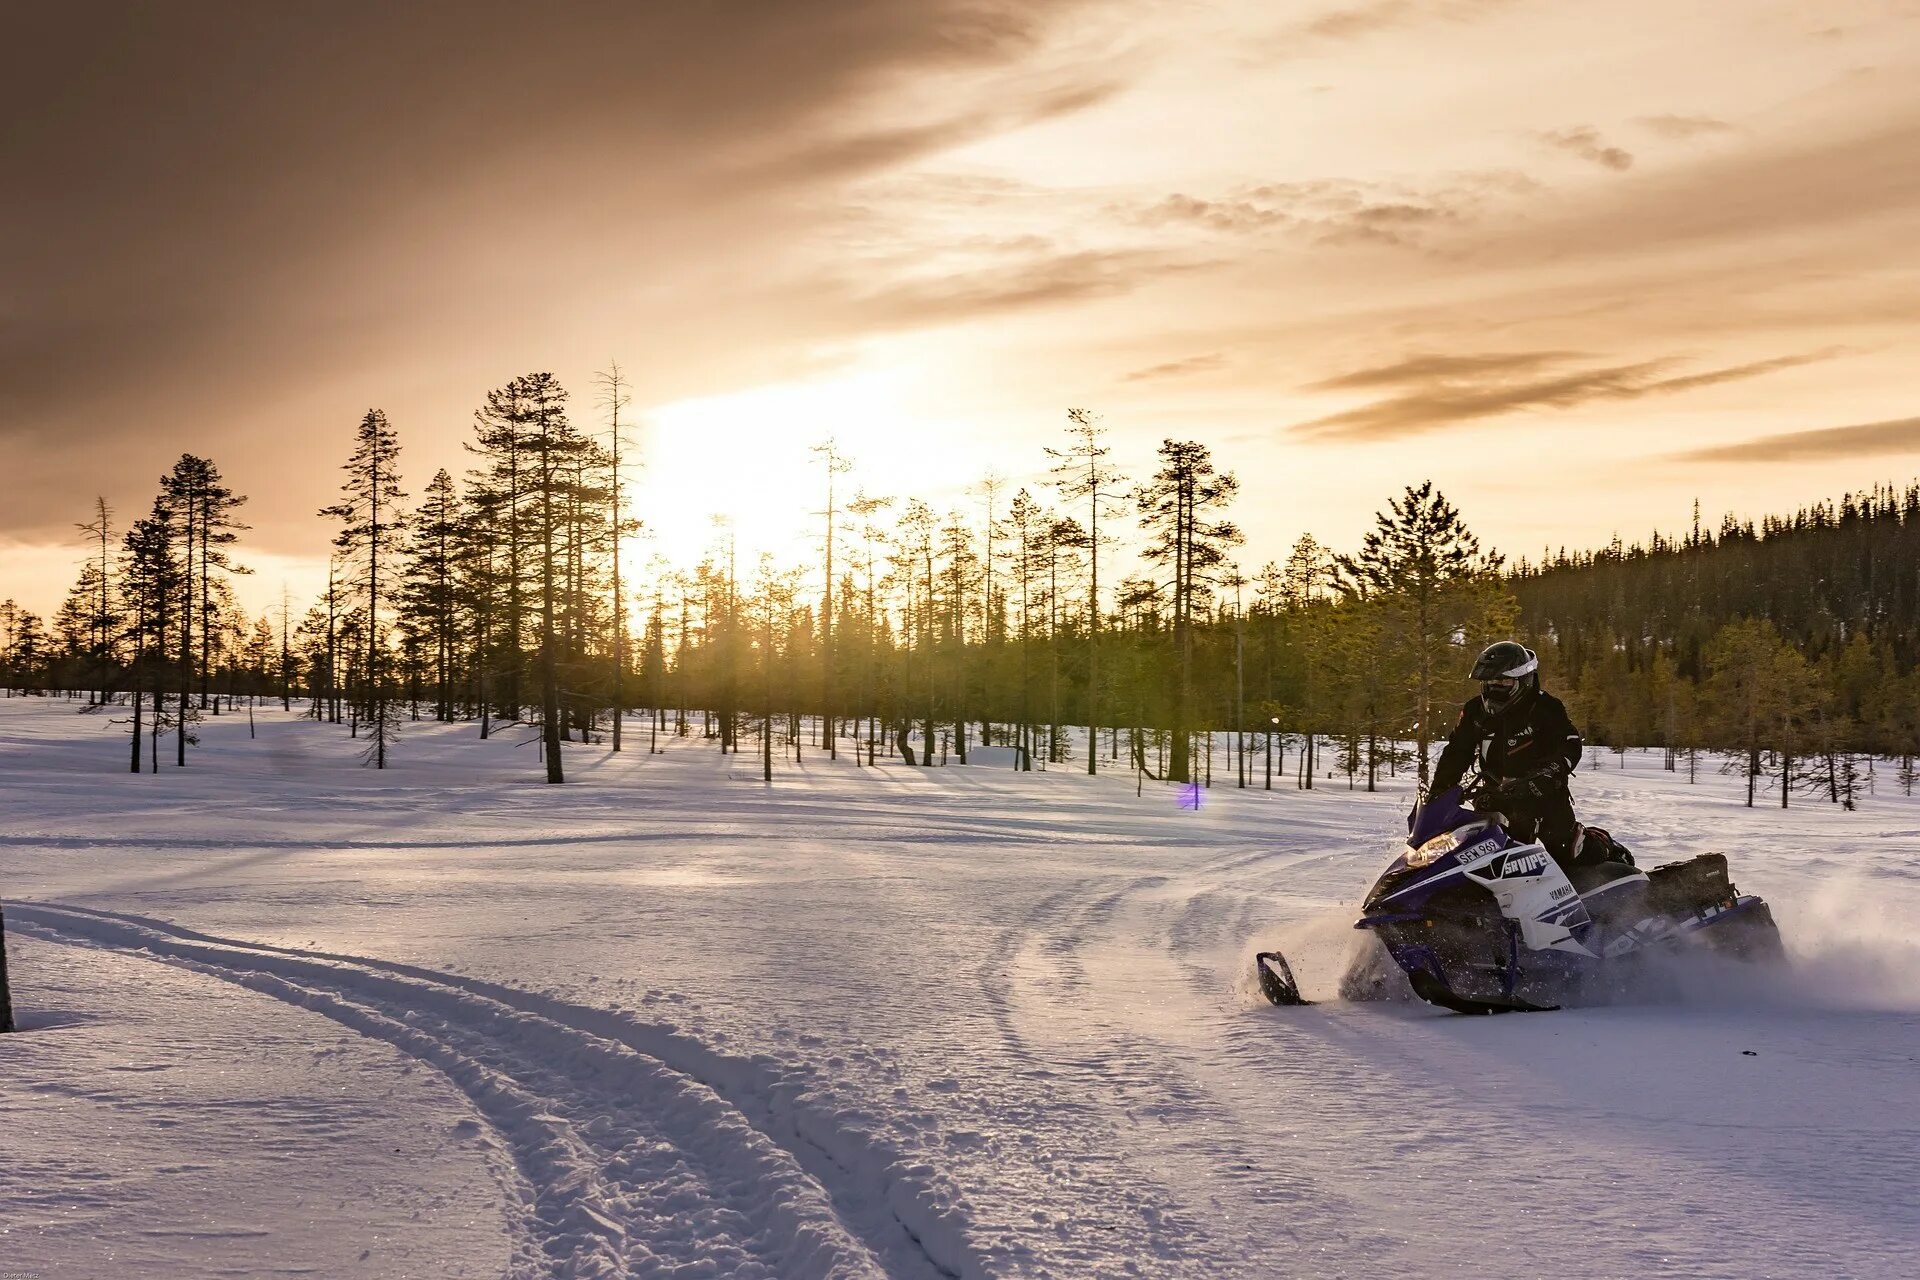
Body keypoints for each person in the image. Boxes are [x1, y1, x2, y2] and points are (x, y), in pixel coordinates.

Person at [1432, 641, 1655, 949]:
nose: (1494, 688)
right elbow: (1455, 754)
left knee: (1567, 855)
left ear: (1521, 680)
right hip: (1494, 800)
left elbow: (1569, 744)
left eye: (1502, 681)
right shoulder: (1474, 712)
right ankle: (1464, 929)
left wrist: (1550, 772)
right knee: (1480, 863)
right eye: (1489, 682)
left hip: (1542, 795)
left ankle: (1601, 853)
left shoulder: (1545, 708)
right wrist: (1437, 796)